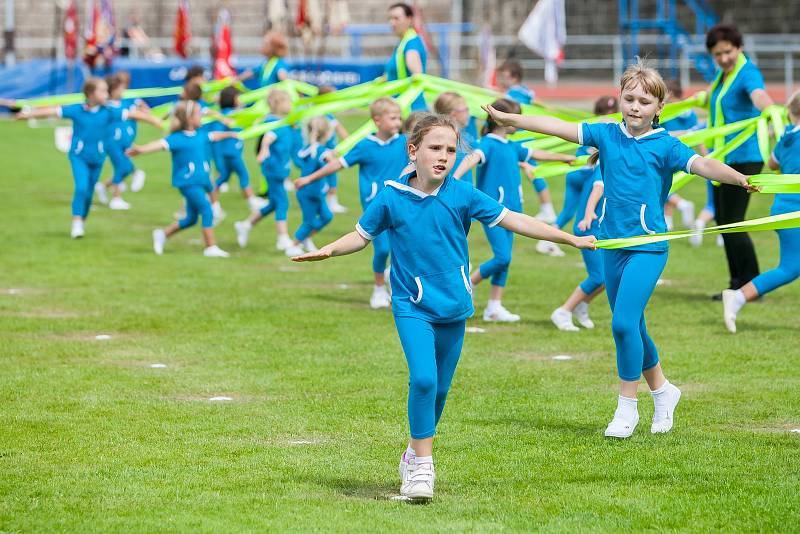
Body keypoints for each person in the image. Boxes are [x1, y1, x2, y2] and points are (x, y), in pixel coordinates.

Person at [292, 113, 596, 500]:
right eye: (435, 148)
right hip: (410, 304)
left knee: (439, 392)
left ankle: (411, 453)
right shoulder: (390, 197)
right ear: (413, 151)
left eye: (451, 150)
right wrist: (329, 250)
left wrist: (568, 238)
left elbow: (515, 220)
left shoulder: (462, 194)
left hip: (454, 305)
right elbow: (360, 235)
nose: (444, 156)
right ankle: (423, 469)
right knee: (423, 379)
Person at [484, 59, 759, 438]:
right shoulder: (607, 134)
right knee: (634, 325)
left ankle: (626, 408)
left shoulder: (666, 145)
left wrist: (738, 178)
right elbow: (561, 127)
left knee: (623, 323)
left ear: (659, 107)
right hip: (610, 244)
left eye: (644, 101)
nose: (635, 107)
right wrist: (516, 121)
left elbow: (703, 165)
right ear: (620, 100)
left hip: (648, 247)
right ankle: (663, 391)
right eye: (629, 98)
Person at [452, 98, 575, 322]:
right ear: (501, 119)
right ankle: (465, 286)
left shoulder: (511, 145)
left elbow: (536, 154)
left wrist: (564, 158)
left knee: (505, 260)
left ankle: (494, 307)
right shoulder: (488, 143)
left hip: (513, 213)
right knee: (501, 257)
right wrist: (456, 178)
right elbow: (473, 157)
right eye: (516, 116)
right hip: (492, 212)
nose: (520, 121)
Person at [293, 97, 407, 309]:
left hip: (403, 205)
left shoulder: (404, 143)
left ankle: (395, 280)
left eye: (399, 118)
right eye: (393, 118)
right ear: (377, 120)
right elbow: (338, 165)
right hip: (376, 206)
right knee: (381, 249)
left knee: (403, 247)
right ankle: (379, 289)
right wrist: (309, 178)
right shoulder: (365, 146)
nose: (398, 122)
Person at [16, 77, 160, 238]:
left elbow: (134, 115)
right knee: (81, 188)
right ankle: (76, 223)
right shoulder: (77, 110)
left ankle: (81, 220)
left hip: (98, 158)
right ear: (91, 94)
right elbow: (52, 111)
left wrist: (154, 120)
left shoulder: (109, 111)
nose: (107, 94)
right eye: (103, 91)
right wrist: (28, 115)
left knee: (89, 193)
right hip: (79, 157)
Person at [722, 91, 800, 333]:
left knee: (790, 267)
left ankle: (739, 297)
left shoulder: (787, 137)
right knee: (789, 268)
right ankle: (739, 297)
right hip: (793, 212)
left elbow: (774, 163)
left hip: (783, 208)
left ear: (789, 112)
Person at [706, 23, 774, 298]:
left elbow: (759, 95)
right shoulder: (723, 76)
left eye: (728, 52)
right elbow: (717, 102)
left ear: (739, 48)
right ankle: (736, 284)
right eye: (717, 54)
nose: (723, 58)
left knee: (733, 222)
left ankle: (749, 286)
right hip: (722, 158)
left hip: (744, 158)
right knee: (724, 223)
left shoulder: (747, 72)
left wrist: (770, 110)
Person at [127, 101, 234, 258]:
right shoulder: (177, 138)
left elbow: (214, 136)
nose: (202, 117)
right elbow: (158, 144)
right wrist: (141, 150)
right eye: (199, 115)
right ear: (189, 119)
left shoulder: (201, 134)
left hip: (202, 180)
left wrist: (232, 134)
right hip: (188, 182)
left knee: (191, 218)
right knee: (206, 209)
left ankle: (162, 234)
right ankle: (210, 247)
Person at [496, 59, 557, 225]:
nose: (502, 79)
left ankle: (547, 209)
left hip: (520, 139)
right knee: (531, 171)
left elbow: (504, 105)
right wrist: (548, 110)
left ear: (514, 77)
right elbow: (536, 102)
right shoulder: (526, 91)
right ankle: (546, 208)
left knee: (532, 172)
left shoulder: (510, 95)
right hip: (525, 138)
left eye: (505, 76)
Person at [234, 89, 296, 250]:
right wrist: (264, 149)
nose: (291, 105)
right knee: (283, 202)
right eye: (288, 102)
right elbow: (269, 136)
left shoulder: (283, 121)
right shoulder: (274, 123)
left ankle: (246, 225)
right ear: (278, 104)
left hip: (280, 168)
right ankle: (283, 238)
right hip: (273, 168)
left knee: (274, 203)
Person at [550, 163, 606, 331]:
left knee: (610, 276)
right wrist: (588, 213)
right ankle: (564, 310)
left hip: (603, 230)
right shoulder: (606, 163)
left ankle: (582, 304)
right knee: (598, 277)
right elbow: (598, 187)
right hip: (588, 229)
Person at [95, 72, 148, 210]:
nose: (123, 91)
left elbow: (142, 109)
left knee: (125, 167)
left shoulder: (126, 101)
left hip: (125, 142)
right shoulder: (106, 106)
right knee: (122, 167)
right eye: (120, 88)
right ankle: (116, 198)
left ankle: (103, 186)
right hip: (111, 142)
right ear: (112, 90)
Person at [285, 117, 336, 256]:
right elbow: (330, 161)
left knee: (327, 216)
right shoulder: (321, 151)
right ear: (326, 134)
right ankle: (293, 245)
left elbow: (301, 158)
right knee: (309, 221)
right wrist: (332, 158)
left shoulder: (309, 148)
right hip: (308, 192)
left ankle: (305, 238)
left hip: (316, 192)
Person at [211, 87, 266, 213]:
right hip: (230, 153)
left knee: (222, 178)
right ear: (232, 99)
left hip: (233, 152)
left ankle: (212, 203)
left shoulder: (236, 113)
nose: (241, 100)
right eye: (238, 97)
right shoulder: (226, 114)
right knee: (243, 175)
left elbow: (246, 124)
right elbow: (217, 131)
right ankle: (252, 201)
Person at [385, 2, 427, 111]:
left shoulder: (411, 44)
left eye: (396, 18)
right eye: (390, 18)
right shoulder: (403, 43)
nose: (392, 23)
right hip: (401, 107)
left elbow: (417, 77)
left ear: (409, 19)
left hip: (410, 110)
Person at [317, 86, 350, 214]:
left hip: (328, 151)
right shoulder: (323, 116)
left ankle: (330, 202)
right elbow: (341, 131)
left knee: (329, 175)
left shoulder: (327, 115)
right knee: (329, 175)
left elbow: (342, 132)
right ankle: (330, 202)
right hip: (325, 152)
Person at [433, 92, 477, 184]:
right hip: (450, 190)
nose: (469, 114)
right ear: (454, 114)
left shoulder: (465, 136)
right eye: (466, 110)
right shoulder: (440, 137)